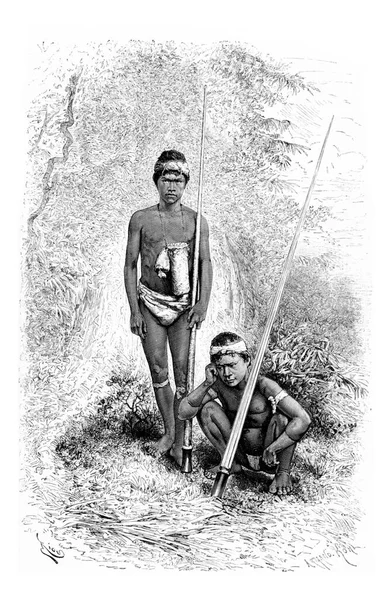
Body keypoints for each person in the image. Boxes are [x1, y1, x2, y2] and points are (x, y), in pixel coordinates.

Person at [124, 149, 213, 466]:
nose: (171, 186)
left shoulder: (196, 221)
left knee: (183, 376)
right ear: (156, 181)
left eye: (178, 180)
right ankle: (168, 432)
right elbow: (131, 266)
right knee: (159, 371)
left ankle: (181, 441)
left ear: (185, 184)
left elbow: (204, 262)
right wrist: (135, 309)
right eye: (166, 179)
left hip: (182, 305)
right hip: (149, 302)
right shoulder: (141, 219)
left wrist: (202, 302)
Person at [178, 332, 311, 494]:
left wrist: (274, 448)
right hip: (238, 453)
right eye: (220, 367)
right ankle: (231, 463)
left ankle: (282, 472)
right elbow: (183, 413)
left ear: (246, 360)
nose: (226, 373)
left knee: (283, 418)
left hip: (268, 457)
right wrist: (207, 383)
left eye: (232, 365)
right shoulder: (218, 385)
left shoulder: (263, 385)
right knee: (207, 409)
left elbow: (303, 419)